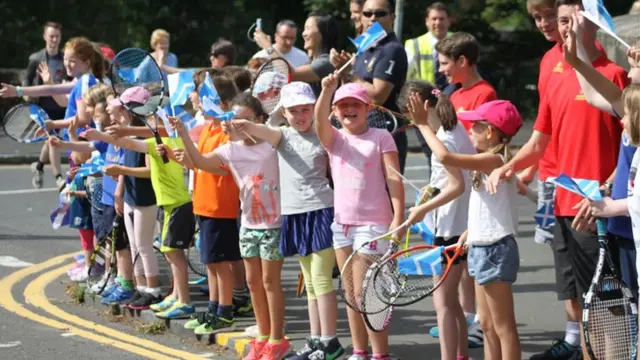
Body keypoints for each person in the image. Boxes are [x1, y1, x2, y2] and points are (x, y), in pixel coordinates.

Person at [487, 2, 629, 359]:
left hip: (599, 208)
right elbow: (540, 140)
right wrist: (509, 167)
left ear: (592, 24)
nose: (563, 27)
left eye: (571, 20)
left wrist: (607, 188)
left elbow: (629, 152)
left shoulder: (614, 75)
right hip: (564, 203)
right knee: (581, 302)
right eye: (561, 20)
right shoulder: (553, 67)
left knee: (610, 306)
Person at [174, 93, 290, 360]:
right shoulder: (230, 150)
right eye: (234, 119)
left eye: (244, 120)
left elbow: (280, 129)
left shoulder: (273, 144)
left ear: (260, 120)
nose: (238, 125)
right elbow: (201, 162)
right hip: (248, 224)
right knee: (252, 282)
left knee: (270, 282)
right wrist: (181, 132)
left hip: (274, 224)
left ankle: (277, 339)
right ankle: (262, 337)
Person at [234, 82, 345, 360]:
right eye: (293, 110)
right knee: (309, 282)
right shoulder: (281, 135)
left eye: (305, 109)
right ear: (284, 112)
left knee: (320, 280)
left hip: (321, 212)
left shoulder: (324, 134)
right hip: (294, 214)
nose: (300, 115)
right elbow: (254, 128)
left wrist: (328, 90)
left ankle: (330, 342)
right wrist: (237, 123)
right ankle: (316, 340)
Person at [415, 97, 523, 360]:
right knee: (486, 325)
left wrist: (422, 124)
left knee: (503, 326)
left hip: (496, 249)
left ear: (490, 131)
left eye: (475, 125)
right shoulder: (484, 161)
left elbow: (444, 156)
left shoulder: (494, 160)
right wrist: (468, 234)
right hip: (480, 246)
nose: (469, 129)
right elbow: (487, 210)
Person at [316, 75, 405, 360]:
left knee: (370, 295)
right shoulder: (335, 139)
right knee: (352, 294)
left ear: (368, 109)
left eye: (355, 104)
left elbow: (394, 180)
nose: (348, 109)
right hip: (342, 226)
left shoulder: (381, 137)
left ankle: (380, 354)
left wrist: (399, 218)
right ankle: (359, 351)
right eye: (342, 105)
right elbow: (319, 121)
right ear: (334, 111)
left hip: (374, 226)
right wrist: (327, 91)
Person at [399, 80, 474, 360]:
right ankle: (461, 355)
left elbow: (457, 186)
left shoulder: (444, 135)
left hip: (453, 227)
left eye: (409, 111)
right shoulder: (449, 129)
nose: (408, 118)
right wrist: (429, 195)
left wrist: (422, 208)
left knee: (443, 302)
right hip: (452, 224)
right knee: (450, 301)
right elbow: (447, 181)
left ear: (420, 105)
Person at [334, 0, 409, 174]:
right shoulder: (366, 45)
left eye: (380, 13)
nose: (373, 18)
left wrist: (352, 72)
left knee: (385, 197)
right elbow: (352, 91)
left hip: (386, 134)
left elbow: (377, 96)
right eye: (367, 13)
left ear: (392, 17)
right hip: (362, 132)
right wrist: (344, 72)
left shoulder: (392, 49)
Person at [23, 21, 68, 189]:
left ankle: (39, 166)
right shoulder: (35, 58)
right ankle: (58, 178)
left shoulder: (65, 58)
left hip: (60, 105)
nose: (54, 39)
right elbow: (27, 79)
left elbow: (70, 79)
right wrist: (27, 92)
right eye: (51, 36)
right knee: (53, 139)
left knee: (50, 140)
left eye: (57, 36)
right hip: (42, 106)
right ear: (45, 37)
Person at [436, 32, 497, 132]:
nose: (440, 70)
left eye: (444, 63)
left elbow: (482, 142)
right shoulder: (454, 95)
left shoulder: (485, 94)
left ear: (462, 61)